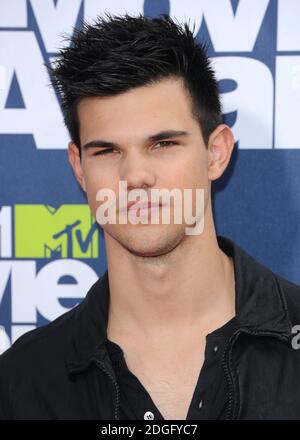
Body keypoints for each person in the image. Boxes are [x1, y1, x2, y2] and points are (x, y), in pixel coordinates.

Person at [0, 12, 300, 421]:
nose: (135, 176)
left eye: (163, 143)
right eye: (107, 151)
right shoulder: (23, 381)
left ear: (216, 153)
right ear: (79, 168)